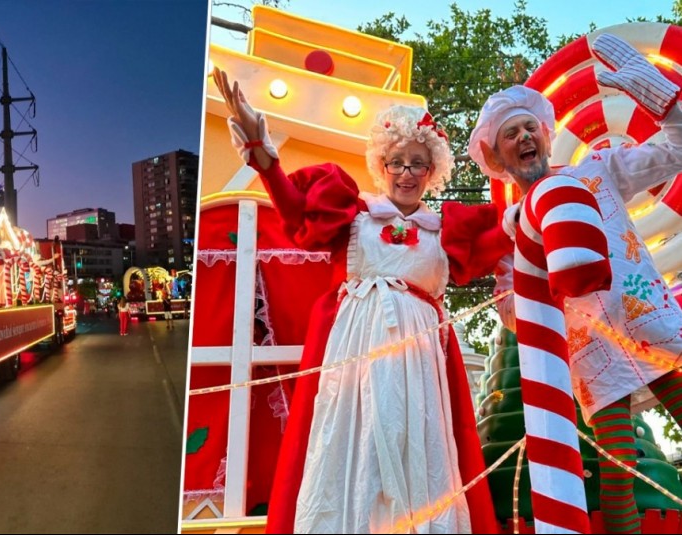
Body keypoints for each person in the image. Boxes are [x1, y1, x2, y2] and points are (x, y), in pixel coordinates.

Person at [214, 68, 497, 534]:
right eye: (397, 162)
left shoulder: (447, 231)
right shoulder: (354, 214)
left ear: (433, 171)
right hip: (353, 356)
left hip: (419, 362)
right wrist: (263, 156)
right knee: (348, 443)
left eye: (417, 163)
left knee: (418, 446)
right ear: (382, 164)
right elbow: (291, 209)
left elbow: (513, 237)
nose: (406, 173)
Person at [451, 33, 682, 534]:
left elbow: (676, 150)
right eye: (510, 135)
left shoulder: (597, 170)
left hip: (650, 320)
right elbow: (516, 317)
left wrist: (664, 100)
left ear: (547, 135)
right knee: (619, 465)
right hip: (591, 350)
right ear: (496, 157)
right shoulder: (508, 232)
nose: (524, 138)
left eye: (530, 127)